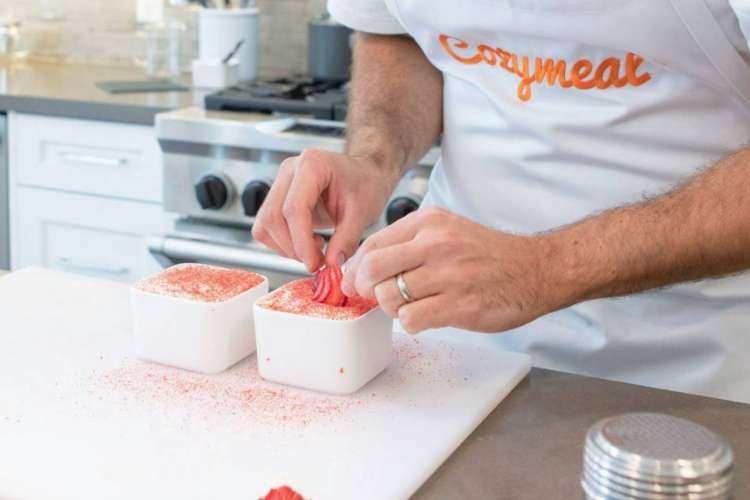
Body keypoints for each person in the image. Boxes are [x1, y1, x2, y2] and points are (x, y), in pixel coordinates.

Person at [253, 0, 750, 403]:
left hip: (690, 370)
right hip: (454, 357)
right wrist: (373, 160)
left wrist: (545, 267)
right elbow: (395, 31)